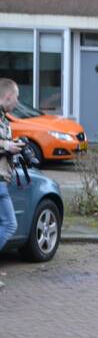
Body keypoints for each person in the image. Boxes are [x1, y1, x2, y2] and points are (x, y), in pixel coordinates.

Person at [0, 78, 22, 286]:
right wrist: (7, 146)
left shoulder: (4, 119)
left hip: (2, 180)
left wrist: (13, 146)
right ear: (8, 96)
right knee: (9, 224)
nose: (17, 101)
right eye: (16, 97)